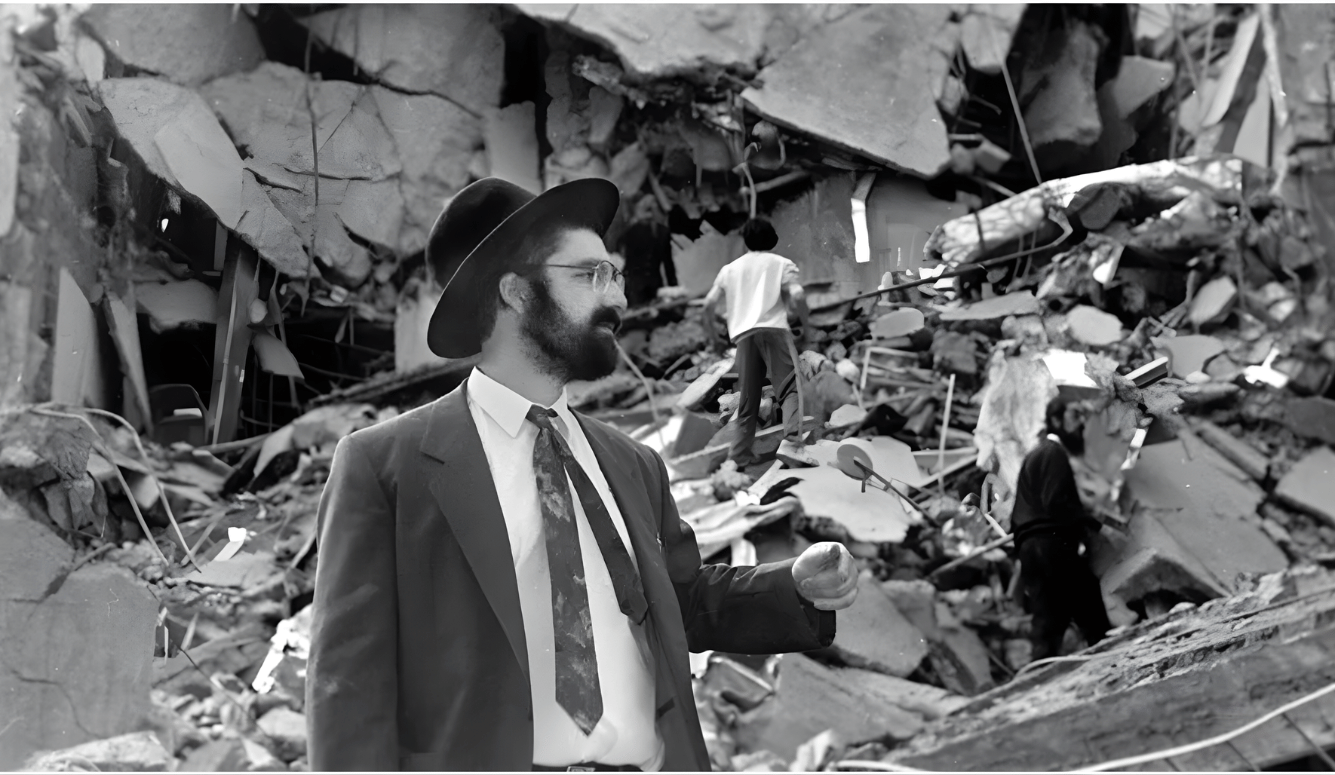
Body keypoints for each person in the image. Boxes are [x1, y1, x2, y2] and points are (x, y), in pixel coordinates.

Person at [305, 177, 860, 772]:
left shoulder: (632, 462)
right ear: (516, 292)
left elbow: (676, 602)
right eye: (588, 275)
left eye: (614, 275)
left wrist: (791, 585)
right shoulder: (384, 465)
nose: (616, 298)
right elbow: (348, 684)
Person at [701, 218, 814, 468]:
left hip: (744, 336)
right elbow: (797, 294)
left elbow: (708, 304)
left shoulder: (730, 269)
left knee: (748, 399)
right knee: (790, 388)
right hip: (774, 332)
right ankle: (794, 445)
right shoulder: (782, 264)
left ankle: (739, 454)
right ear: (771, 237)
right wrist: (806, 326)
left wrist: (713, 339)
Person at [1010, 395, 1112, 661]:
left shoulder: (1038, 453)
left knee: (1049, 617)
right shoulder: (1053, 453)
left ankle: (1040, 673)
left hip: (1031, 547)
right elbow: (1056, 503)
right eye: (1074, 416)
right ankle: (1107, 662)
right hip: (1049, 543)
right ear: (1056, 420)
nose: (1080, 425)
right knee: (1088, 603)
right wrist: (1095, 526)